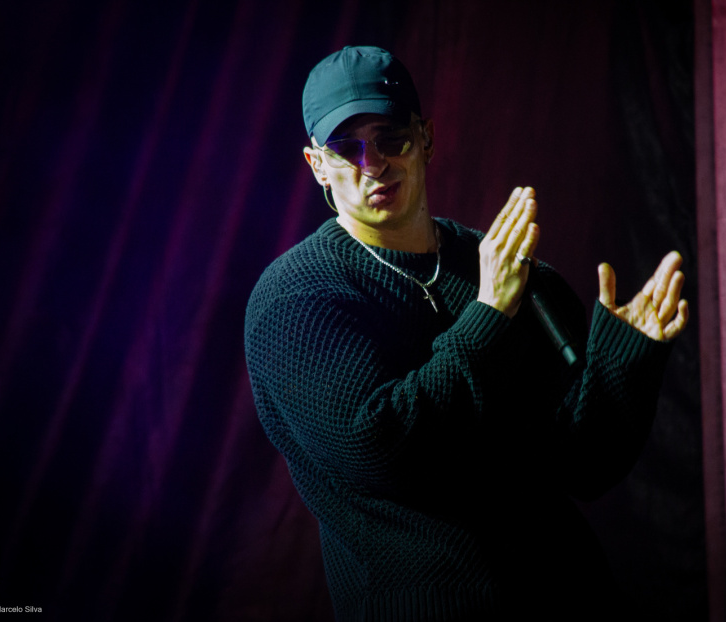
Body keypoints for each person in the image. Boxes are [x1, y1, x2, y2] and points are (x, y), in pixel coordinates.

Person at [244, 46, 688, 621]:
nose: (372, 165)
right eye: (346, 147)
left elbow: (584, 465)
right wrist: (488, 314)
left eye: (391, 139)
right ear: (316, 165)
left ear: (425, 138)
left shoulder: (507, 268)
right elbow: (382, 451)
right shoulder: (296, 298)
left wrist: (625, 360)